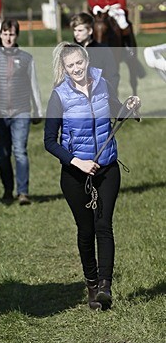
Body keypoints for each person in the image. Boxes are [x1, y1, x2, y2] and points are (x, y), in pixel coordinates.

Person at [44, 42, 140, 310]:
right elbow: (50, 142)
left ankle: (105, 287)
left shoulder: (102, 84)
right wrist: (79, 163)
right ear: (64, 68)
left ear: (86, 60)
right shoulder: (59, 96)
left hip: (108, 167)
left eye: (79, 63)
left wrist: (130, 106)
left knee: (104, 226)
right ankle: (91, 284)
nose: (76, 69)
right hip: (76, 175)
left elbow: (116, 111)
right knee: (86, 231)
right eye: (70, 65)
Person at [0, 19, 43, 205]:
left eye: (11, 34)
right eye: (5, 34)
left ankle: (23, 192)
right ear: (0, 35)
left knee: (20, 151)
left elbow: (34, 86)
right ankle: (7, 190)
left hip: (21, 111)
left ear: (16, 35)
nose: (8, 38)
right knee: (3, 154)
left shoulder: (27, 58)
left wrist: (38, 110)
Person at [70, 12, 120, 95]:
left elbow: (112, 76)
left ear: (90, 31)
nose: (76, 34)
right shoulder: (69, 51)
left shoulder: (103, 50)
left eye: (80, 30)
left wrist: (108, 97)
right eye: (74, 30)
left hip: (99, 97)